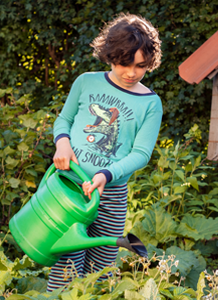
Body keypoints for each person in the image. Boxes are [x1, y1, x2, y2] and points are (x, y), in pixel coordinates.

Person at [47, 12, 163, 292]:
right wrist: (62, 143)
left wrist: (106, 174)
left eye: (140, 66)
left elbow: (141, 153)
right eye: (124, 64)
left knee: (101, 269)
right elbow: (64, 120)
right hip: (70, 187)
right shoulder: (86, 82)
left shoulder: (150, 104)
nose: (131, 73)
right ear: (109, 54)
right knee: (67, 262)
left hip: (110, 195)